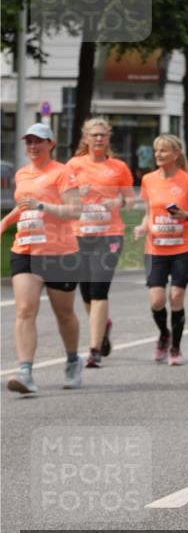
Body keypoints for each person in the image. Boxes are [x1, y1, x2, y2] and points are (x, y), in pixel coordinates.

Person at [3, 124, 83, 394]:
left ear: (51, 144)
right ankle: (25, 371)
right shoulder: (22, 174)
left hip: (59, 252)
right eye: (29, 142)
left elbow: (74, 211)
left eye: (39, 141)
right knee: (25, 309)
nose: (33, 146)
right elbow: (23, 204)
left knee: (64, 314)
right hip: (25, 248)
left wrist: (42, 206)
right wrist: (4, 222)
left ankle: (73, 360)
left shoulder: (63, 173)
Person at [133, 134, 188, 366]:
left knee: (175, 296)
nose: (158, 155)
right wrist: (142, 227)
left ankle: (175, 348)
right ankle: (164, 335)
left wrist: (187, 216)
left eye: (163, 151)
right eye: (156, 151)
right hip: (155, 249)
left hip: (183, 249)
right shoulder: (148, 180)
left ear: (176, 155)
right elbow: (149, 213)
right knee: (156, 300)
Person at [67, 118, 134, 368]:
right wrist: (76, 194)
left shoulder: (118, 167)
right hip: (80, 234)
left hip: (110, 235)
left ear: (108, 138)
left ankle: (94, 350)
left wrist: (117, 203)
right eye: (94, 135)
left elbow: (131, 201)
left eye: (102, 135)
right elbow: (60, 199)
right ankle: (102, 325)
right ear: (85, 138)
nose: (98, 139)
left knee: (99, 290)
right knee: (86, 294)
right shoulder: (73, 166)